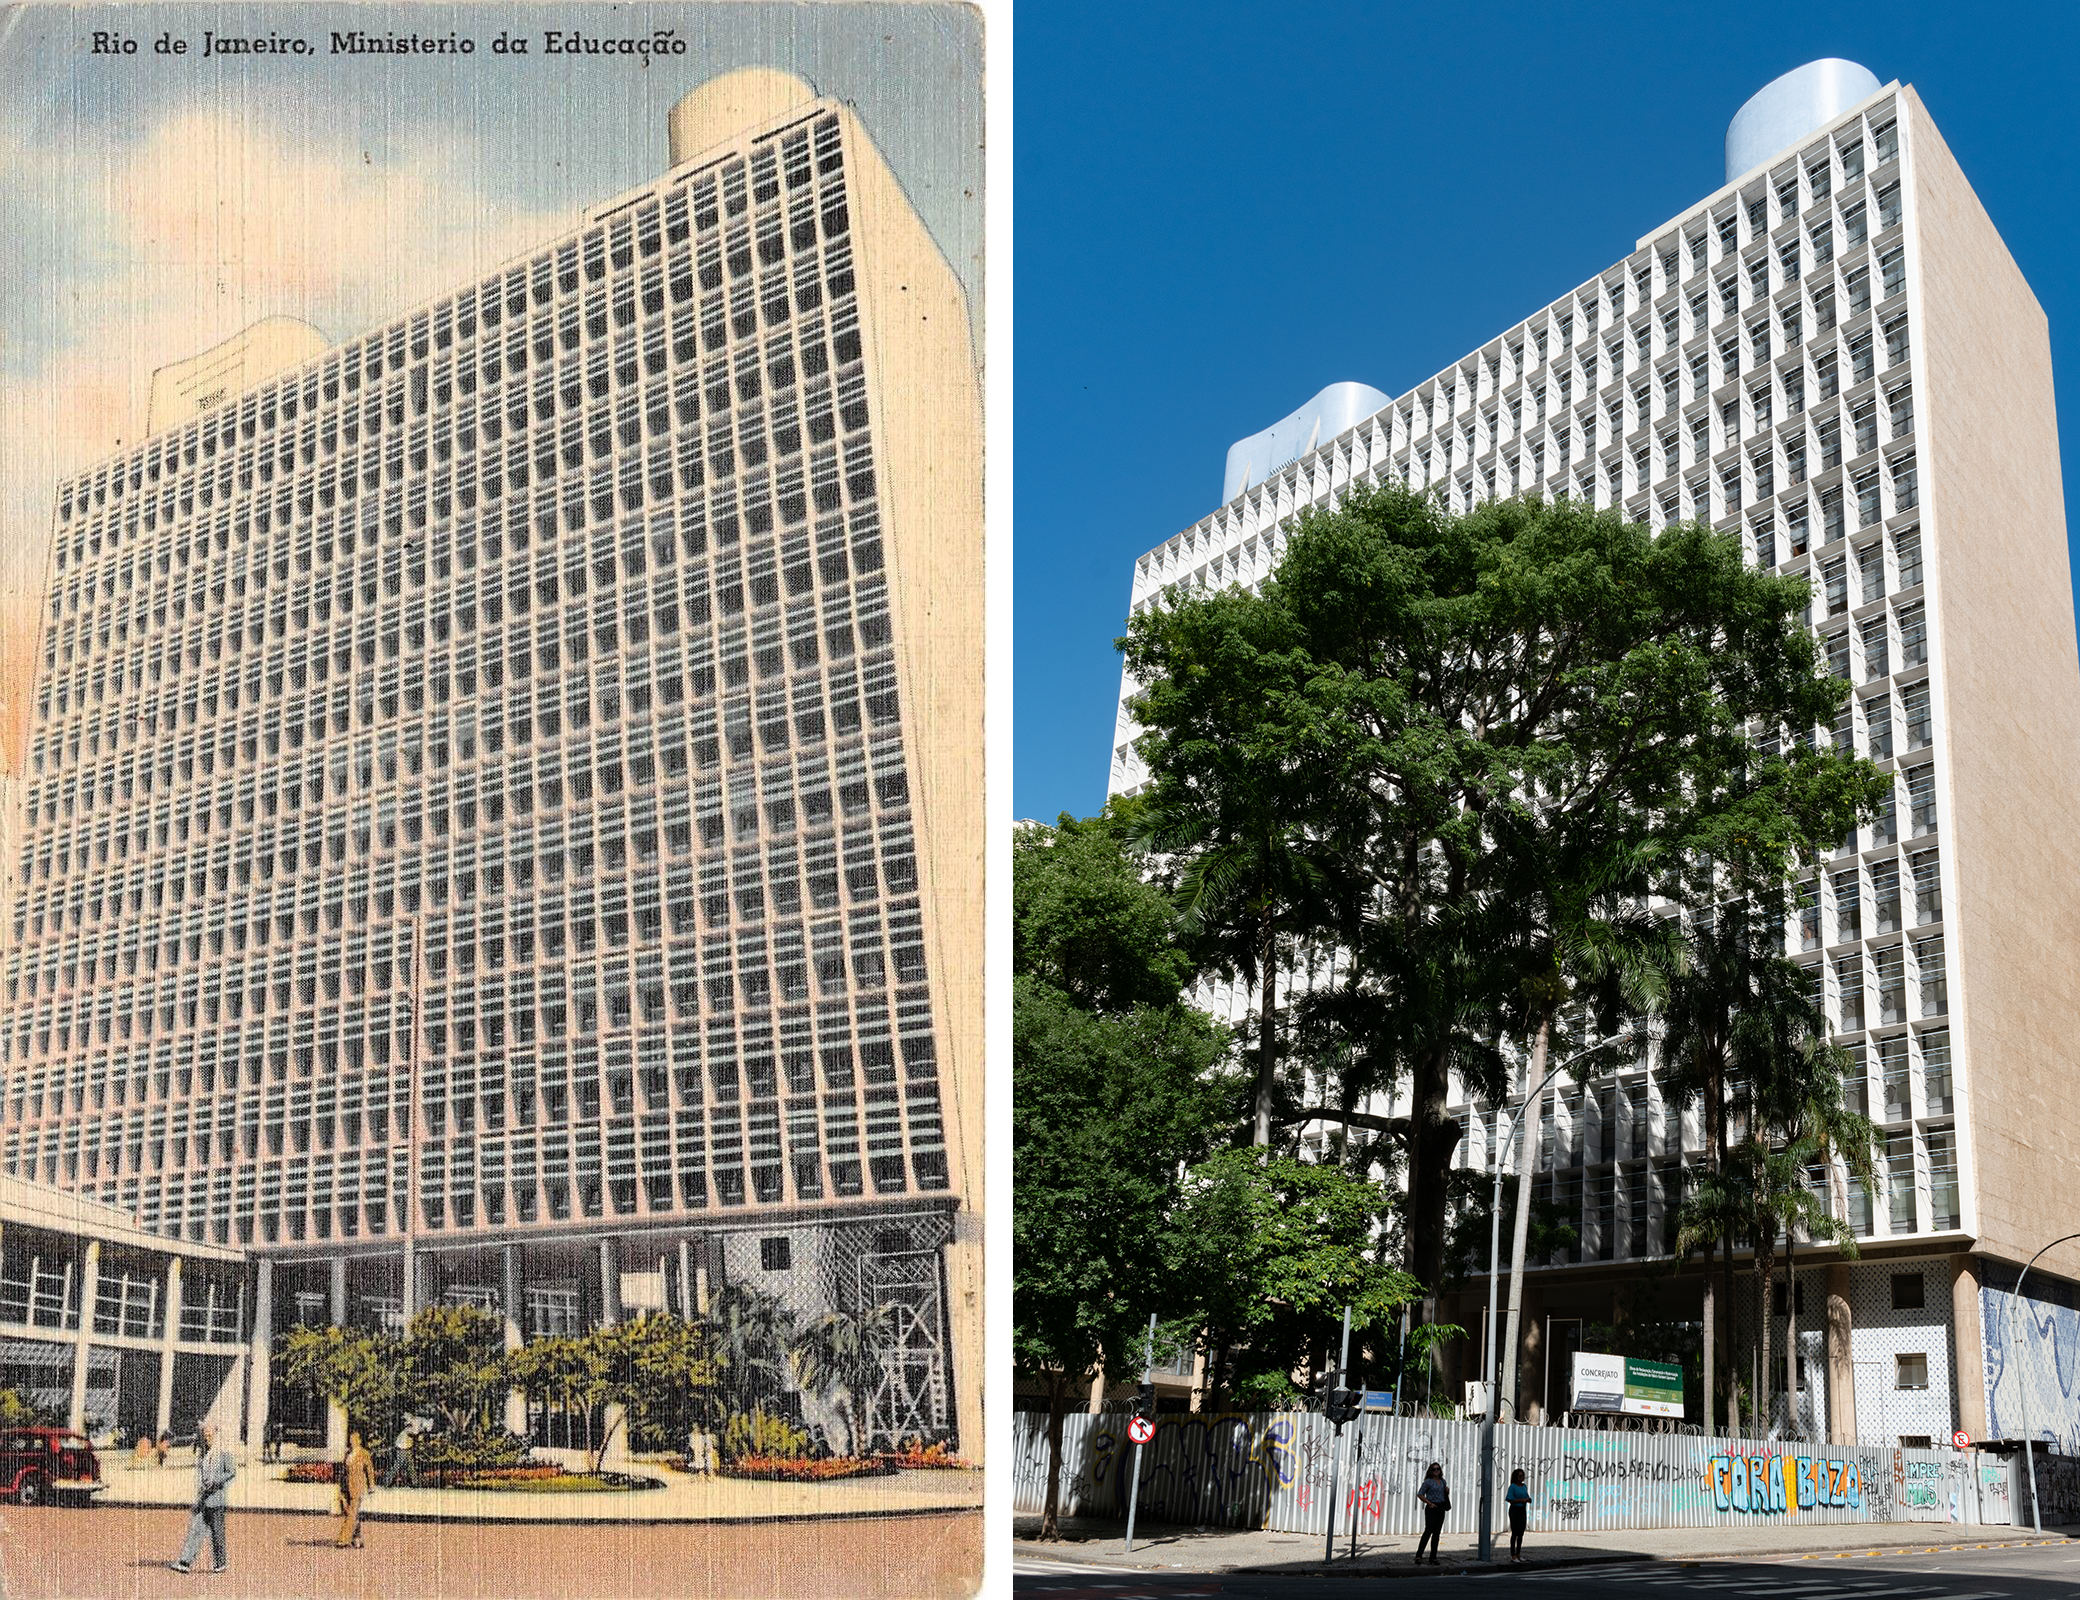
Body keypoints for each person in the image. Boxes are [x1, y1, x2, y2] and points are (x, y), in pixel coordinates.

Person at [169, 1422, 236, 1574]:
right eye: (205, 1435)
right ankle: (185, 1562)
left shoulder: (224, 1452)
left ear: (216, 1435)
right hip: (203, 1499)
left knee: (217, 1533)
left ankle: (220, 1563)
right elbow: (200, 1471)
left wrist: (215, 1481)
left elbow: (231, 1472)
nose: (207, 1438)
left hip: (216, 1499)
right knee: (196, 1530)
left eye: (209, 1435)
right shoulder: (203, 1452)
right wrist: (200, 1485)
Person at [335, 1430, 376, 1549]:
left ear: (359, 1441)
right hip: (345, 1487)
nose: (351, 1441)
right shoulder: (348, 1453)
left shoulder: (364, 1453)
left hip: (357, 1487)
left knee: (352, 1513)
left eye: (354, 1439)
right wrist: (339, 1487)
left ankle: (343, 1540)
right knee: (350, 1513)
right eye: (350, 1439)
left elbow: (369, 1470)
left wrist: (371, 1486)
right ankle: (356, 1538)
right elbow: (343, 1471)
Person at [1414, 1460, 1450, 1566]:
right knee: (1428, 1531)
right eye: (1434, 1469)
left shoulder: (1443, 1481)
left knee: (1437, 1533)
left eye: (1438, 1469)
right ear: (1430, 1471)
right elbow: (1420, 1494)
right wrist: (1429, 1503)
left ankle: (1433, 1557)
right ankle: (1418, 1555)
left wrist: (1447, 1491)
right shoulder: (1428, 1482)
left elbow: (1444, 1494)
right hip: (1432, 1507)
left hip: (1441, 1507)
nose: (1436, 1471)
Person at [1505, 1467, 1532, 1564]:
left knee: (1521, 1532)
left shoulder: (1524, 1486)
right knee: (1515, 1532)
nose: (1522, 1478)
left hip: (1522, 1509)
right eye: (1520, 1476)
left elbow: (1525, 1495)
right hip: (1515, 1509)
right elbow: (1509, 1499)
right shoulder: (1512, 1487)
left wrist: (1528, 1499)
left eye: (1523, 1476)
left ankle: (1518, 1553)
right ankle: (1513, 1555)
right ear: (1516, 1477)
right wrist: (1521, 1500)